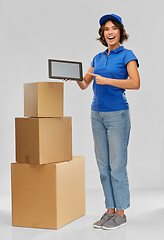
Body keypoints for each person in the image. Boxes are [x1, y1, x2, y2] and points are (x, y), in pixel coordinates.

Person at [64, 13, 140, 230]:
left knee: (117, 166)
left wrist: (108, 80)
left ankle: (121, 213)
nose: (110, 32)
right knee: (104, 167)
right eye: (106, 29)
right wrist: (74, 76)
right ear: (102, 34)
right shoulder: (97, 58)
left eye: (114, 28)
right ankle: (110, 210)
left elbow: (135, 83)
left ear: (120, 32)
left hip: (118, 115)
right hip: (96, 114)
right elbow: (84, 84)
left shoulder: (128, 55)